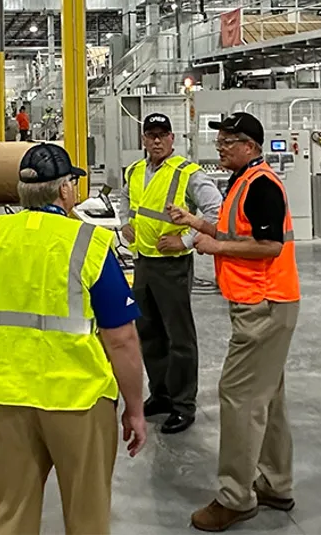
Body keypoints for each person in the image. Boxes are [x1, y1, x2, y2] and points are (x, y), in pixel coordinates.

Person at [0, 143, 149, 535]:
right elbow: (122, 339)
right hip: (77, 398)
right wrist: (134, 407)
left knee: (13, 509)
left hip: (8, 395)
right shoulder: (87, 243)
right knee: (87, 512)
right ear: (64, 191)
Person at [168, 112, 301, 532]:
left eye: (228, 142)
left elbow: (268, 248)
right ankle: (276, 485)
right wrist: (198, 224)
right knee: (267, 397)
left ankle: (236, 497)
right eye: (221, 141)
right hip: (260, 303)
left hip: (263, 305)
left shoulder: (262, 185)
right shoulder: (242, 181)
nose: (221, 148)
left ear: (251, 146)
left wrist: (211, 247)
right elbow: (235, 232)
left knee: (238, 396)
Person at [116, 113, 223, 435]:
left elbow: (217, 214)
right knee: (149, 333)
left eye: (163, 135)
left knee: (179, 338)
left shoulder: (188, 173)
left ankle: (182, 404)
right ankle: (160, 394)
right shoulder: (135, 170)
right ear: (144, 139)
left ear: (172, 138)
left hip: (173, 265)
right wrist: (126, 224)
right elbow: (125, 200)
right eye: (151, 135)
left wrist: (186, 239)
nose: (157, 141)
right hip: (143, 263)